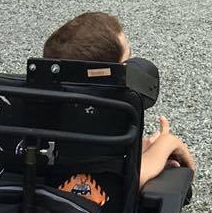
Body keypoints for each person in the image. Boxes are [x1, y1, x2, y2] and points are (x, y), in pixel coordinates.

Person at [42, 12, 195, 188]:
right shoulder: (88, 137)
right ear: (107, 78)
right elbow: (115, 187)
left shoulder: (43, 117)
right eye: (127, 63)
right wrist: (166, 145)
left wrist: (139, 152)